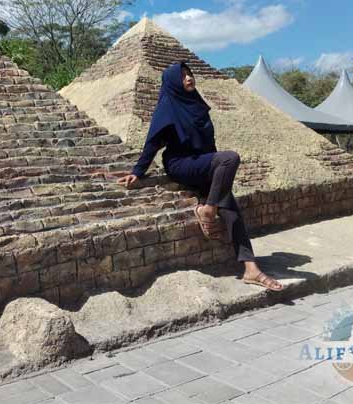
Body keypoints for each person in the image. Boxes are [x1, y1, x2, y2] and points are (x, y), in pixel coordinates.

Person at [117, 61, 283, 291]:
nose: (188, 78)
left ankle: (250, 269)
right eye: (183, 76)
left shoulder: (196, 104)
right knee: (230, 158)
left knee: (232, 211)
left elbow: (209, 143)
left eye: (189, 74)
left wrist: (215, 172)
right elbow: (153, 143)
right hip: (181, 164)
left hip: (204, 163)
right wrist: (137, 172)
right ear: (174, 81)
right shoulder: (168, 107)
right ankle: (207, 209)